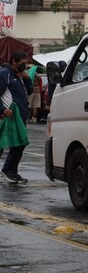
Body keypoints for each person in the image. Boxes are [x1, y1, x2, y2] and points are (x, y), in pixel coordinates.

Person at [0, 50, 32, 184]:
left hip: (19, 117)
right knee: (7, 144)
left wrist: (26, 78)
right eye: (23, 63)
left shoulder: (18, 75)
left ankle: (11, 170)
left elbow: (28, 91)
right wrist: (2, 109)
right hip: (8, 117)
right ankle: (9, 169)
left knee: (19, 143)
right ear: (14, 62)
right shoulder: (4, 75)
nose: (25, 66)